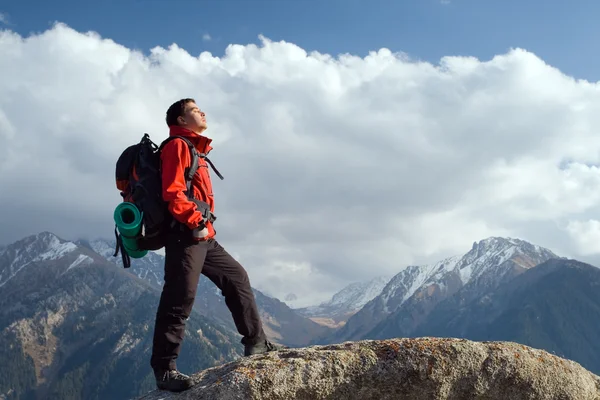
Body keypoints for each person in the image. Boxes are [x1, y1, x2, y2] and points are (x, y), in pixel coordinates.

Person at [150, 98, 283, 393]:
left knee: (237, 278)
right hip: (186, 234)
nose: (203, 112)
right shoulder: (177, 147)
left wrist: (202, 227)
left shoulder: (194, 148)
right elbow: (173, 193)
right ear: (182, 120)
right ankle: (165, 370)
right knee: (179, 300)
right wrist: (196, 222)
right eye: (196, 110)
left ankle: (256, 343)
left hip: (203, 235)